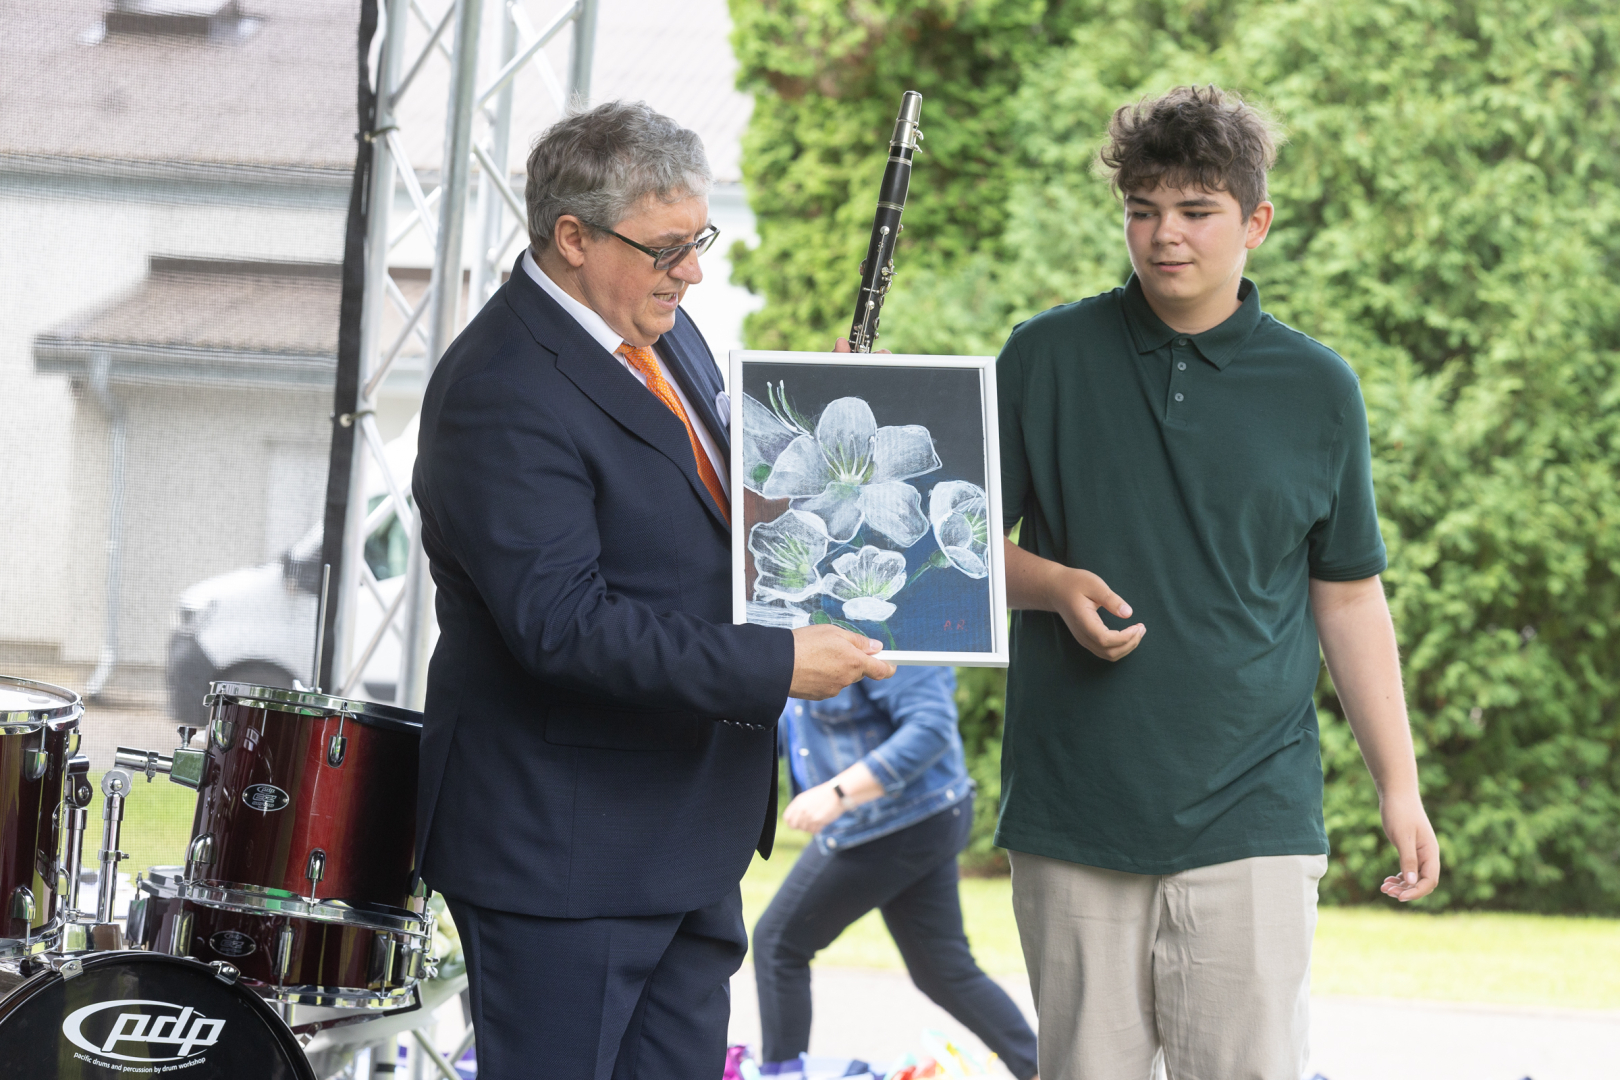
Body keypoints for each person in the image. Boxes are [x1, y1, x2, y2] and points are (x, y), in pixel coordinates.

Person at [411, 101, 895, 1080]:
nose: (693, 272)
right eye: (668, 248)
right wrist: (775, 663)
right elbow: (564, 627)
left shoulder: (657, 328)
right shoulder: (501, 389)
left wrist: (812, 454)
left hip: (685, 834)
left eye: (698, 241)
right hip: (564, 852)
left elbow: (698, 506)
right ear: (573, 238)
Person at [994, 85, 1441, 1079]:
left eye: (1196, 210)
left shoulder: (1319, 388)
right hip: (1074, 810)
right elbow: (955, 547)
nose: (1165, 235)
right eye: (1142, 209)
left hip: (1254, 814)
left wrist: (1399, 787)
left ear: (1256, 223)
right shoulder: (1042, 356)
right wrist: (1053, 584)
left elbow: (1348, 596)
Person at [752, 666, 1040, 1080]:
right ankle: (1042, 1069)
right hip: (919, 819)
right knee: (943, 970)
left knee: (778, 944)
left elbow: (931, 727)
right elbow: (794, 724)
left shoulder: (894, 639)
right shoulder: (806, 631)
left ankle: (781, 1075)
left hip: (892, 822)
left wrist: (838, 793)